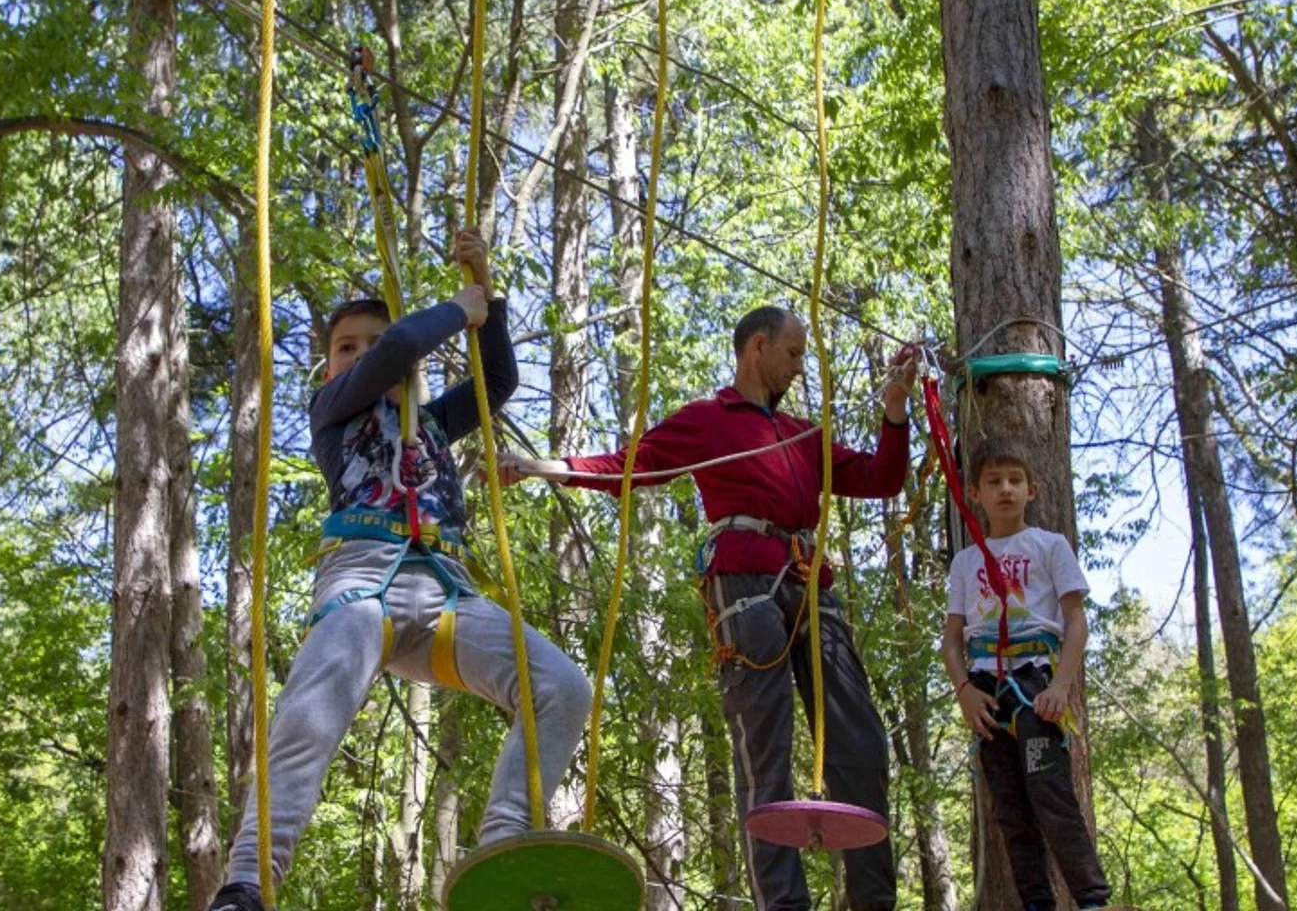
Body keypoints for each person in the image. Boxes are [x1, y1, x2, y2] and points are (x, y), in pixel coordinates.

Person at [210, 229, 591, 911]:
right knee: (310, 714)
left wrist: (486, 286)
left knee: (562, 686)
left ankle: (502, 846)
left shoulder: (436, 424)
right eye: (343, 349)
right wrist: (455, 309)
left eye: (365, 344)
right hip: (363, 582)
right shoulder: (333, 414)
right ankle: (248, 881)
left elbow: (497, 381)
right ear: (332, 368)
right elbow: (396, 350)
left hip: (447, 596)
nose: (359, 356)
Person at [500, 306, 914, 911]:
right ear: (757, 347)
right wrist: (545, 467)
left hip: (809, 583)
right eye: (793, 354)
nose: (800, 367)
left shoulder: (804, 436)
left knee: (860, 743)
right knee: (764, 751)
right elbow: (628, 467)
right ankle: (784, 905)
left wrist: (895, 410)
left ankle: (873, 902)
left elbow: (882, 478)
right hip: (745, 585)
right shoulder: (709, 421)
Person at [940, 437, 1113, 911]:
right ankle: (1036, 903)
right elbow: (951, 641)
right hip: (985, 690)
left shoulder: (1049, 546)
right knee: (1010, 809)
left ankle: (1091, 899)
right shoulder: (965, 561)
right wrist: (963, 693)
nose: (1006, 490)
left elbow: (1076, 620)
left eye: (1015, 480)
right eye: (994, 482)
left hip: (1036, 681)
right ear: (974, 492)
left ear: (1033, 490)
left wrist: (1061, 686)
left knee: (1049, 792)